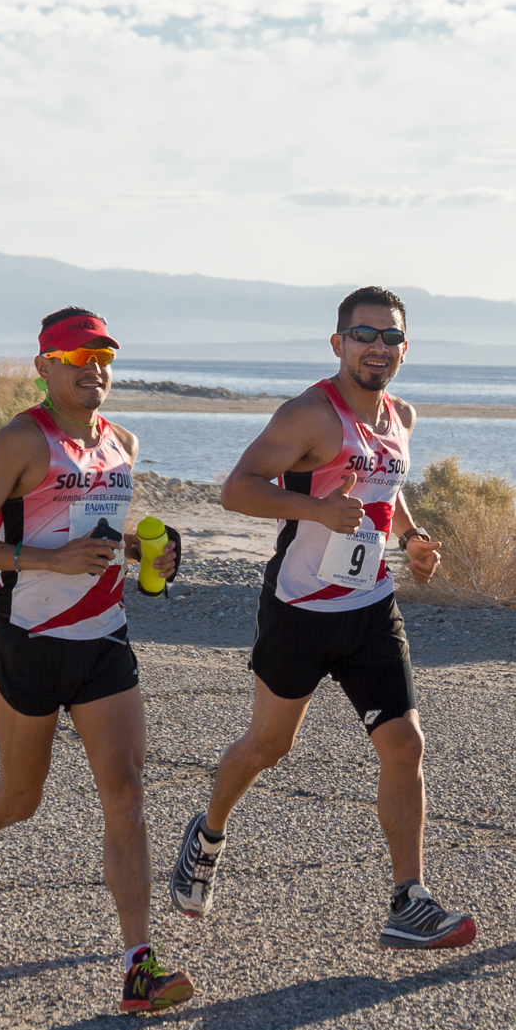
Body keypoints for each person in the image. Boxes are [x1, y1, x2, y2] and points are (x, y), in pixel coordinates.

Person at [0, 306, 195, 1014]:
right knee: (17, 800)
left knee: (124, 795)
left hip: (104, 639)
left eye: (103, 357)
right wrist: (49, 560)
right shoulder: (19, 442)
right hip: (30, 639)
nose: (93, 369)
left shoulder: (122, 441)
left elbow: (98, 534)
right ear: (44, 368)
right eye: (75, 359)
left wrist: (146, 553)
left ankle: (138, 963)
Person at [167, 286, 476, 950]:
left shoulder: (402, 417)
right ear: (338, 344)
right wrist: (313, 511)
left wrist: (413, 540)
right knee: (267, 748)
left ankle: (408, 900)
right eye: (364, 335)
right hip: (300, 613)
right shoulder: (310, 415)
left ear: (404, 347)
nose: (378, 348)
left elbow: (383, 493)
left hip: (369, 609)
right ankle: (208, 834)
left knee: (405, 746)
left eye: (390, 337)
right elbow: (236, 489)